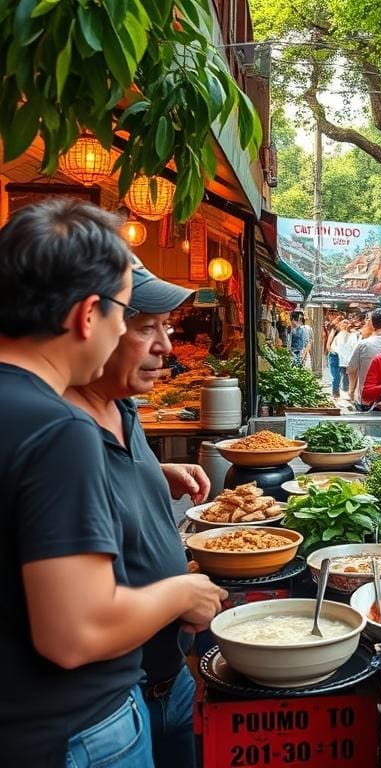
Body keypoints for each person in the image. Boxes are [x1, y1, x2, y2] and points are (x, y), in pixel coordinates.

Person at [0, 200, 225, 767]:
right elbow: (74, 632)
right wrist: (182, 592)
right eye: (127, 315)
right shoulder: (58, 426)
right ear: (88, 315)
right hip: (76, 732)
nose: (156, 342)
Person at [64, 260, 217, 768]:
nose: (167, 347)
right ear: (90, 323)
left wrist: (156, 471)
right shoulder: (59, 439)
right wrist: (179, 595)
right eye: (145, 327)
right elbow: (72, 621)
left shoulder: (123, 406)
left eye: (166, 327)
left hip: (168, 676)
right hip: (109, 709)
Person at [347, 307, 381, 409]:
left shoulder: (362, 345)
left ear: (372, 325)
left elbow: (351, 370)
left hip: (366, 402)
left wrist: (351, 391)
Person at [331, 318, 359, 398]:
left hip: (349, 358)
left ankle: (348, 393)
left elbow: (355, 346)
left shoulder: (353, 335)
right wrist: (336, 353)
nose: (344, 325)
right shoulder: (338, 334)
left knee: (348, 376)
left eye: (346, 324)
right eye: (342, 324)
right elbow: (333, 346)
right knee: (338, 376)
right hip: (339, 358)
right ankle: (338, 393)